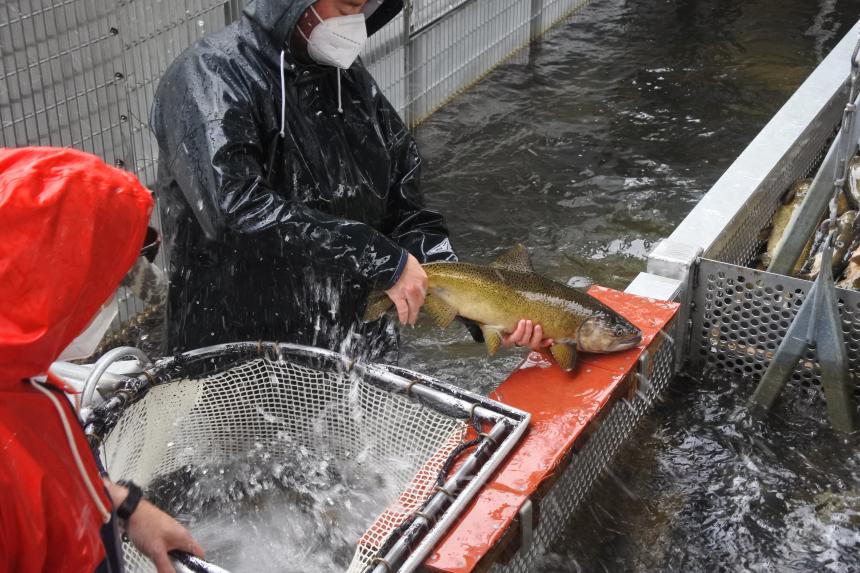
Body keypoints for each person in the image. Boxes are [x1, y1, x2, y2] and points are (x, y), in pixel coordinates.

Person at [151, 0, 549, 358]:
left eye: (362, 9)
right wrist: (377, 257)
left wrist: (488, 313)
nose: (355, 24)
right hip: (234, 356)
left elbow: (408, 212)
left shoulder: (351, 84)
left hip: (353, 350)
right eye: (344, 9)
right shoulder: (210, 77)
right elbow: (232, 211)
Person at [0, 147, 204, 573]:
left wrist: (122, 506)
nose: (105, 304)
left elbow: (51, 479)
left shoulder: (22, 380)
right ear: (44, 283)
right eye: (102, 287)